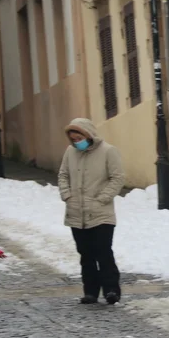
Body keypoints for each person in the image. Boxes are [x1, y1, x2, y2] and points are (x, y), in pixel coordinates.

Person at [58, 118, 125, 305]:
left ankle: (111, 290)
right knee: (85, 254)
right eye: (73, 139)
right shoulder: (70, 152)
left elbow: (117, 178)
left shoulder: (108, 151)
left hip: (101, 213)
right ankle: (90, 292)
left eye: (79, 138)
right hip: (76, 213)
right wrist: (67, 195)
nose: (76, 142)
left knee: (103, 252)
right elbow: (63, 175)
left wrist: (102, 198)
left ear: (88, 135)